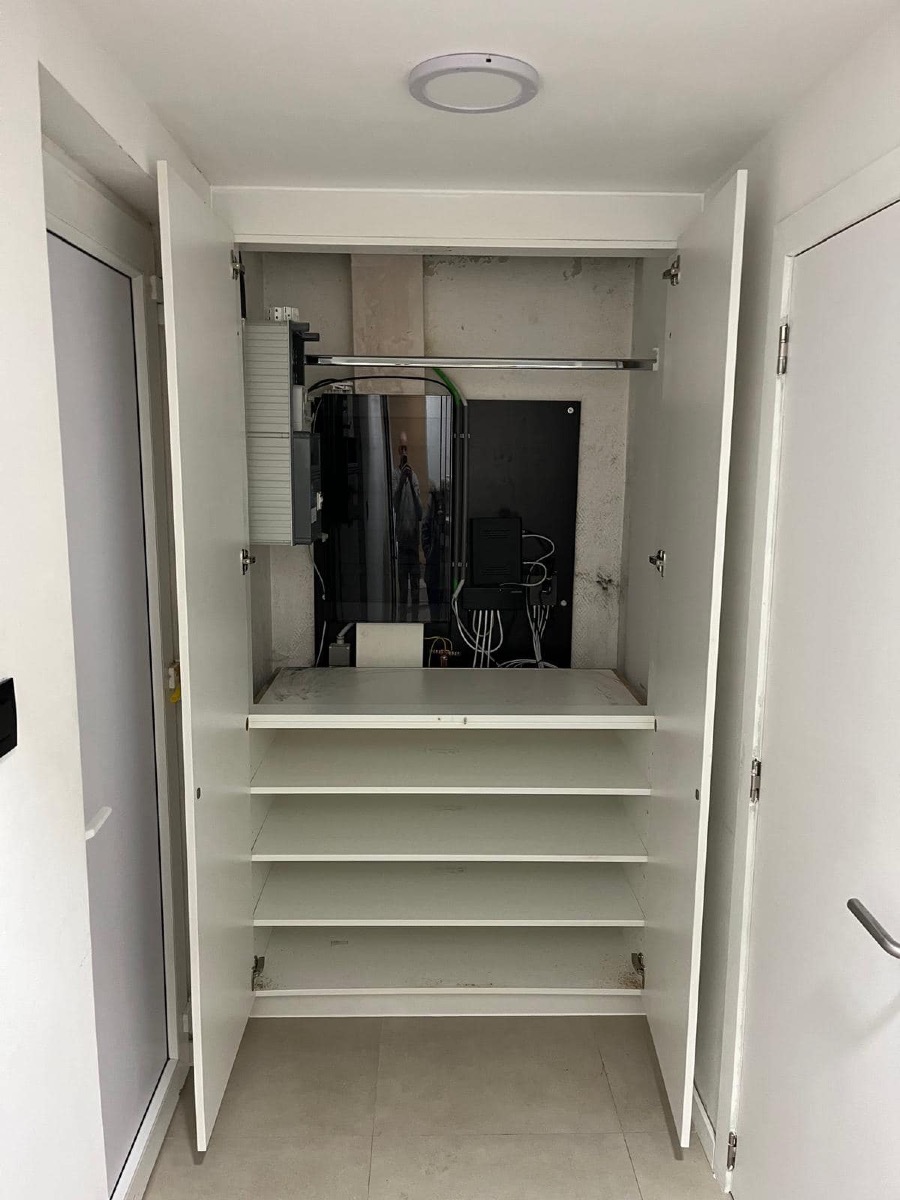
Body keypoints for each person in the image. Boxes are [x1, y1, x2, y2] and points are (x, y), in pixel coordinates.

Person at [391, 431, 423, 621]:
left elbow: (420, 513)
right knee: (403, 589)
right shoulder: (395, 476)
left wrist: (410, 481)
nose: (404, 452)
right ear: (397, 451)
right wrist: (402, 480)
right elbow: (394, 506)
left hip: (413, 543)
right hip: (402, 544)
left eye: (406, 449)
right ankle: (402, 623)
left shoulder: (415, 477)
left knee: (416, 589)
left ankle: (416, 622)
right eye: (401, 448)